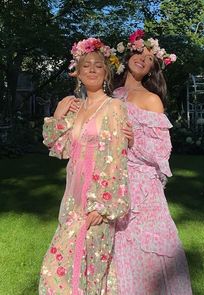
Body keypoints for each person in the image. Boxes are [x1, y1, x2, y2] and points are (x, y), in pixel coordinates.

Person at [39, 37, 130, 295]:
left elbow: (117, 159)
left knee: (94, 269)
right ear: (77, 73)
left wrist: (103, 205)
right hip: (72, 199)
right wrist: (58, 113)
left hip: (97, 199)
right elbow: (57, 146)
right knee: (57, 267)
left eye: (98, 65)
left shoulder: (114, 107)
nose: (91, 69)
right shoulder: (74, 108)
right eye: (86, 65)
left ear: (107, 73)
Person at [109, 30, 193, 294]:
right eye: (139, 53)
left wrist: (134, 140)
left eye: (149, 58)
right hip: (111, 181)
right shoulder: (112, 95)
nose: (143, 59)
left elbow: (162, 152)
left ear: (152, 69)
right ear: (128, 55)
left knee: (147, 250)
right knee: (115, 248)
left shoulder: (151, 99)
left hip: (143, 191)